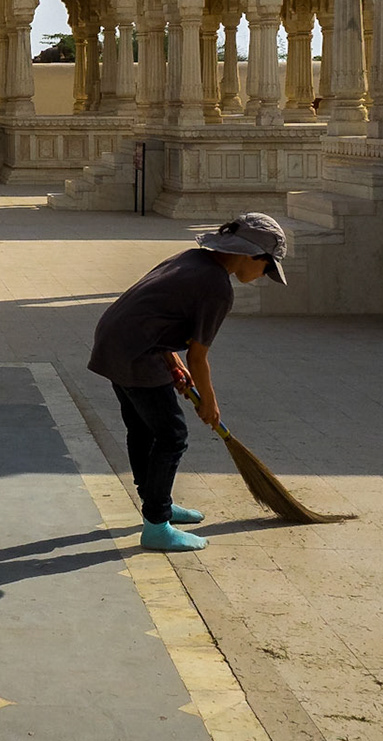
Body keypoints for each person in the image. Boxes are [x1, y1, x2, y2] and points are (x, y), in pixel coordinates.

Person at [87, 212, 288, 551]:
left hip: (116, 341)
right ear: (251, 255)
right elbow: (198, 356)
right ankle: (156, 525)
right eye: (267, 268)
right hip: (138, 353)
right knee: (172, 435)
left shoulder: (192, 259)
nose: (263, 276)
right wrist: (209, 402)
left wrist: (170, 358)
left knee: (143, 429)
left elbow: (153, 312)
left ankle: (156, 502)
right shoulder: (217, 288)